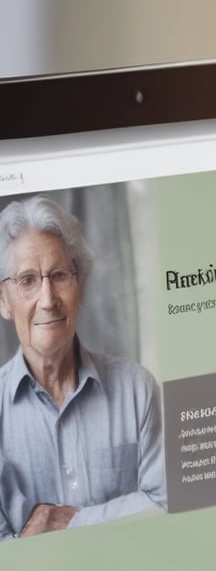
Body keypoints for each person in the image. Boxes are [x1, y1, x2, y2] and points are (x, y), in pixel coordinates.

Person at [0, 195, 166, 540]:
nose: (47, 299)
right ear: (4, 302)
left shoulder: (136, 388)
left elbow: (165, 506)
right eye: (27, 280)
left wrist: (69, 521)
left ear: (81, 286)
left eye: (60, 275)